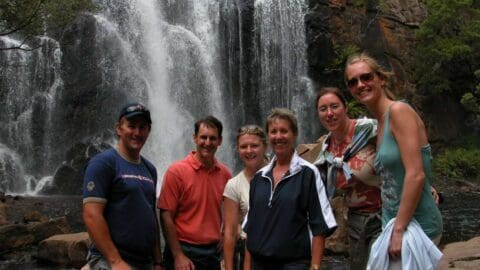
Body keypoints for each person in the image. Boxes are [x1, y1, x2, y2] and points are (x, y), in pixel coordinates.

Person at [344, 52, 443, 260]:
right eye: (353, 82)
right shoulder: (379, 124)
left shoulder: (399, 111)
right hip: (393, 224)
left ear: (381, 79)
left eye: (366, 77)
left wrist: (399, 230)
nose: (360, 85)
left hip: (417, 226)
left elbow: (416, 174)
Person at [297, 87, 381, 270]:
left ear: (345, 108)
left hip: (385, 214)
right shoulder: (325, 149)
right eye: (323, 109)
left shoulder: (370, 130)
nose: (329, 113)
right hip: (355, 219)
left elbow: (401, 157)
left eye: (334, 106)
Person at [244, 108, 337, 270]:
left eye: (284, 131)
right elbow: (250, 229)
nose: (278, 136)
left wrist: (314, 266)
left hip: (293, 264)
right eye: (273, 131)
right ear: (268, 136)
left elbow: (319, 227)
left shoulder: (308, 173)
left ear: (294, 135)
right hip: (258, 264)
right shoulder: (259, 178)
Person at [82, 102, 162, 270]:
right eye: (131, 126)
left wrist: (157, 262)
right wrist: (115, 261)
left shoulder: (150, 169)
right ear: (118, 128)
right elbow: (91, 215)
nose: (137, 132)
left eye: (143, 127)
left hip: (144, 262)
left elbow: (151, 216)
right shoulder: (104, 163)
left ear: (149, 131)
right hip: (111, 261)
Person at [158, 116, 232, 270]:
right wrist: (178, 255)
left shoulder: (225, 174)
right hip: (183, 249)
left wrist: (225, 233)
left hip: (212, 253)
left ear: (220, 141)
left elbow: (232, 210)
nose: (207, 143)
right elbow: (166, 216)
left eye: (212, 138)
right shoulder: (176, 172)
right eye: (203, 137)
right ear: (194, 138)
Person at [223, 125, 268, 270]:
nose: (249, 151)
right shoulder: (233, 185)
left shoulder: (281, 174)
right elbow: (229, 233)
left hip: (282, 251)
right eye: (244, 146)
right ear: (237, 149)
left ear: (265, 146)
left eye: (254, 145)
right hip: (248, 254)